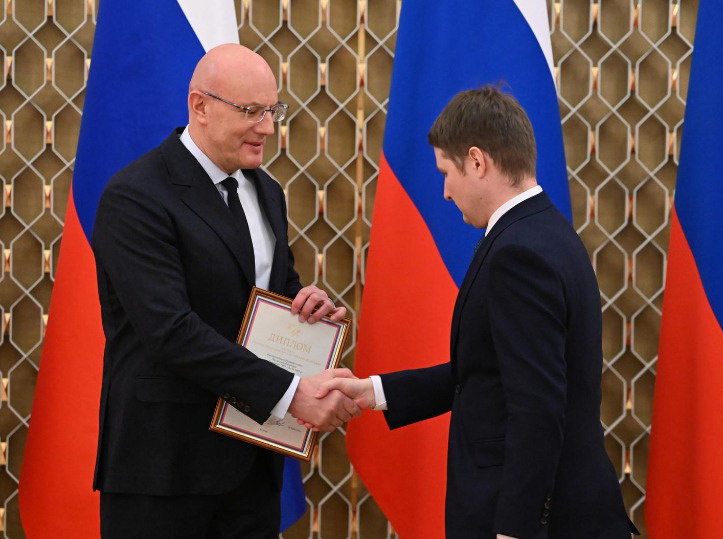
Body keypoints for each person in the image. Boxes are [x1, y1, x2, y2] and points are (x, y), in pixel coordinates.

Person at [316, 87, 640, 538]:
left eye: (445, 173)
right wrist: (374, 391)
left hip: (535, 521)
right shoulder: (543, 232)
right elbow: (491, 371)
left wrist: (514, 530)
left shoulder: (519, 253)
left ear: (476, 161)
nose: (445, 193)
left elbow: (537, 408)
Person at [91, 44, 358, 538]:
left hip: (251, 464)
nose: (268, 128)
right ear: (200, 107)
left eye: (273, 110)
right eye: (251, 111)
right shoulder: (136, 196)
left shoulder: (266, 190)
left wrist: (305, 302)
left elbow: (270, 287)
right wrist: (289, 393)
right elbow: (171, 331)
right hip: (165, 469)